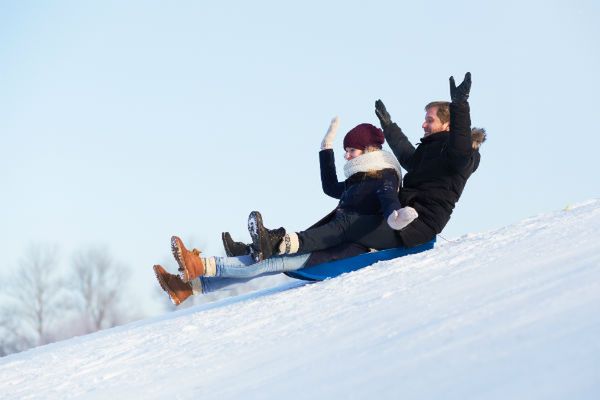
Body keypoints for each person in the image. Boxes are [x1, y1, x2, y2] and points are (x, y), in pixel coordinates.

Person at [154, 121, 418, 305]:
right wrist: (326, 149)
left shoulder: (384, 175)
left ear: (369, 150)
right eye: (345, 151)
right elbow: (331, 188)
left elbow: (388, 200)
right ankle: (187, 288)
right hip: (328, 237)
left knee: (268, 262)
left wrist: (396, 216)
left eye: (351, 151)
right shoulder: (359, 177)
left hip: (341, 251)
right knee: (265, 261)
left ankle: (201, 265)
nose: (347, 156)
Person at [227, 72, 483, 258]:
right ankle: (262, 246)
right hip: (402, 215)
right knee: (341, 218)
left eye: (429, 120)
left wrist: (460, 105)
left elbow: (459, 149)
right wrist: (389, 126)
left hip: (418, 226)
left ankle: (280, 245)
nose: (424, 124)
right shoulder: (430, 151)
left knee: (347, 225)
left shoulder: (461, 157)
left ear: (448, 125)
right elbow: (407, 156)